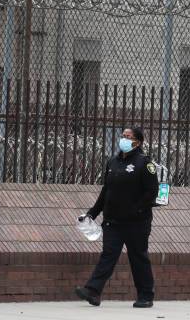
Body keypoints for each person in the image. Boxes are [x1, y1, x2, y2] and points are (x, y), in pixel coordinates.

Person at [75, 127, 159, 308]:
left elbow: (152, 192)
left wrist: (136, 210)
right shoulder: (113, 162)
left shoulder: (144, 163)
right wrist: (92, 213)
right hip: (113, 221)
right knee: (108, 255)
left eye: (129, 137)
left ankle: (146, 296)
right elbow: (106, 191)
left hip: (137, 222)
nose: (124, 139)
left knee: (138, 257)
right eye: (123, 136)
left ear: (138, 142)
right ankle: (93, 291)